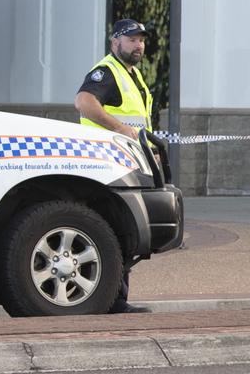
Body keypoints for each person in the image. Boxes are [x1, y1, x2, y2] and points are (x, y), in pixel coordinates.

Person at [75, 18, 154, 314]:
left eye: (141, 40)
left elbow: (140, 123)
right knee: (114, 229)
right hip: (104, 162)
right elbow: (84, 102)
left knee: (123, 230)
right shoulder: (107, 72)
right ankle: (113, 300)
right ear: (115, 42)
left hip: (127, 160)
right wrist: (120, 129)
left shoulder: (132, 75)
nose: (138, 45)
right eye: (131, 39)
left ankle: (115, 298)